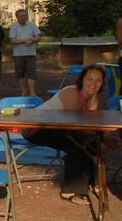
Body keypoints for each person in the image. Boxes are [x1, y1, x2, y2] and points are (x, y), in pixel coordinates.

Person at [22, 65, 105, 205]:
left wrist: (101, 137)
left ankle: (94, 182)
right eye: (89, 79)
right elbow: (72, 127)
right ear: (82, 79)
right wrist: (104, 140)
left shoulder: (92, 96)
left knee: (94, 139)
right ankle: (70, 190)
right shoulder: (72, 93)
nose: (93, 83)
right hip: (37, 128)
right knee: (80, 143)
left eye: (98, 81)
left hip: (58, 127)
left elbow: (91, 124)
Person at [9, 9, 41, 97]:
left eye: (24, 16)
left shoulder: (32, 25)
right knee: (20, 74)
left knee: (31, 74)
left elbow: (38, 36)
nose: (23, 18)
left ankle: (32, 93)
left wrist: (32, 39)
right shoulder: (14, 27)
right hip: (18, 54)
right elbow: (12, 40)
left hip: (31, 54)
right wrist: (24, 40)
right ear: (17, 17)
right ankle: (24, 92)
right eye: (21, 16)